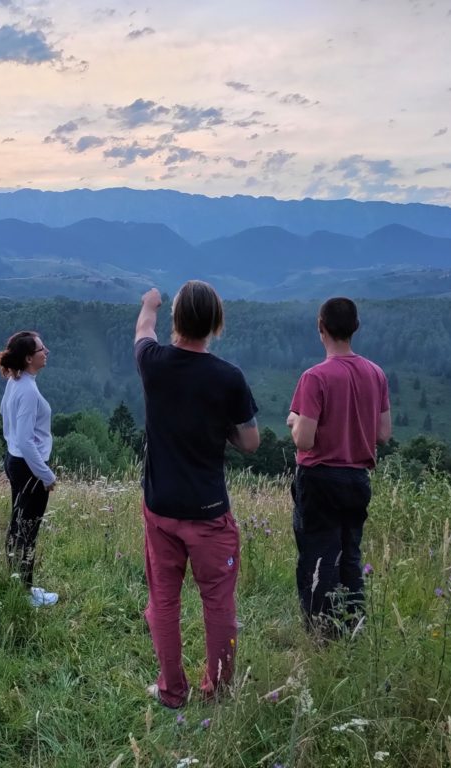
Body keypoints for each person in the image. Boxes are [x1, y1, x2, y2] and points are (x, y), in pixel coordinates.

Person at [135, 282, 260, 708]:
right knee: (217, 602)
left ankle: (172, 691)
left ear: (176, 320)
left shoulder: (154, 364)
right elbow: (250, 442)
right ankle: (218, 690)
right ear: (215, 324)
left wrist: (149, 303)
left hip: (161, 508)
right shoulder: (229, 378)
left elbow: (142, 333)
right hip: (208, 512)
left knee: (164, 601)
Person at [286, 297, 391, 637]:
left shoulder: (315, 377)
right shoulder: (375, 373)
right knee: (350, 555)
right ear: (354, 328)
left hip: (319, 478)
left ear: (321, 329)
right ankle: (353, 627)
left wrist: (293, 419)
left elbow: (304, 439)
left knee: (319, 558)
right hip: (357, 478)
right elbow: (383, 434)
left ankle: (321, 634)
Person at [0, 331, 59, 608]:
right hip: (29, 467)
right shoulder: (29, 390)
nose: (46, 352)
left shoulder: (15, 381)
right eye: (41, 349)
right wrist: (46, 475)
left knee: (17, 524)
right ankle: (26, 592)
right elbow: (26, 439)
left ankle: (18, 584)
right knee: (28, 529)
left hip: (14, 460)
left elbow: (4, 415)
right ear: (28, 358)